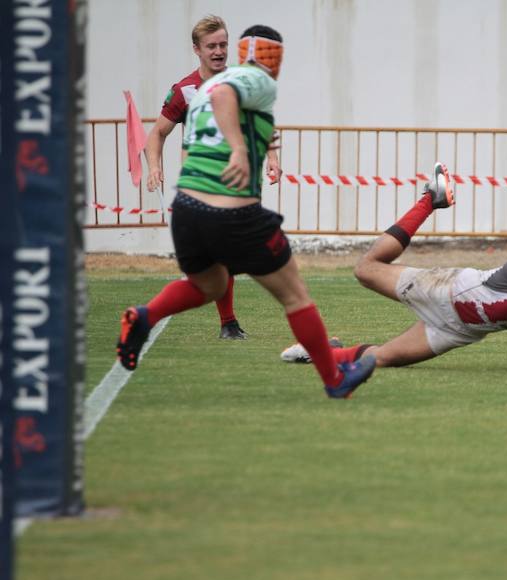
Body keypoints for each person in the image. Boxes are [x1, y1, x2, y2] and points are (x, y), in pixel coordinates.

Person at [117, 25, 375, 399]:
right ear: (274, 56)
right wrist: (239, 148)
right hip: (231, 211)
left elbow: (228, 108)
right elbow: (226, 97)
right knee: (296, 295)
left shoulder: (203, 88)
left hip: (188, 209)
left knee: (210, 285)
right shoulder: (254, 80)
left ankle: (144, 316)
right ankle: (335, 380)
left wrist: (260, 146)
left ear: (237, 49)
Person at [281, 162, 507, 368]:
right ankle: (431, 199)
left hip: (459, 331)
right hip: (447, 292)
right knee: (365, 268)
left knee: (382, 360)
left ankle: (320, 351)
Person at [145, 15, 283, 340]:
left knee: (221, 259)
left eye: (223, 44)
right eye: (212, 46)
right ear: (197, 50)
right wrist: (154, 166)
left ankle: (155, 316)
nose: (219, 51)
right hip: (201, 184)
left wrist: (273, 158)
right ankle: (228, 323)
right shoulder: (184, 90)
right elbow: (157, 134)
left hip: (237, 181)